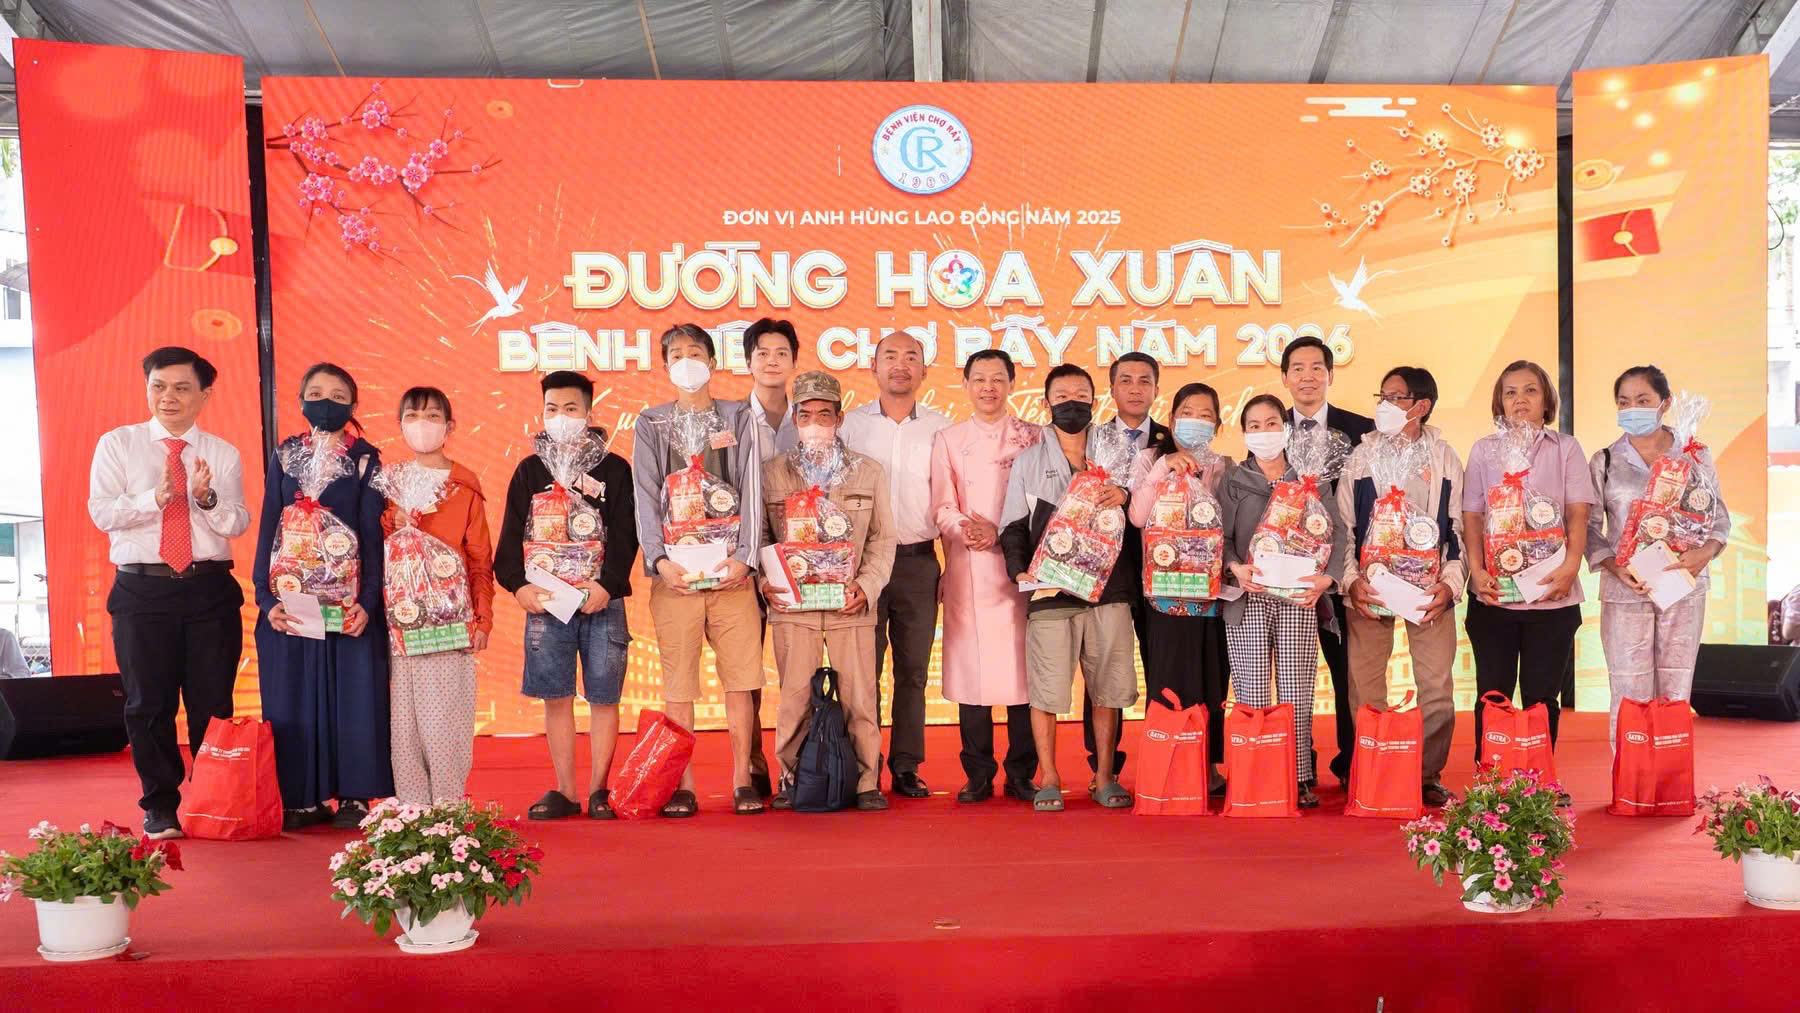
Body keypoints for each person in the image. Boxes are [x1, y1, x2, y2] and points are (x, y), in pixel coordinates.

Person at [88, 346, 250, 839]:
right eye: (158, 386)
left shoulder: (222, 453)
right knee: (147, 704)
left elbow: (237, 522)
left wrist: (206, 498)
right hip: (142, 589)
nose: (168, 397)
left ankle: (211, 799)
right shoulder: (118, 444)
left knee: (212, 703)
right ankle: (159, 805)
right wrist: (154, 498)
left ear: (205, 395)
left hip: (209, 590)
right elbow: (102, 512)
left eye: (182, 388)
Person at [632, 323, 766, 817]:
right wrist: (659, 561)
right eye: (676, 355)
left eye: (695, 352)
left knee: (741, 680)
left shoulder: (737, 416)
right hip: (676, 579)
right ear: (666, 366)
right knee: (678, 686)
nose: (686, 361)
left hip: (732, 575)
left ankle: (742, 779)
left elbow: (751, 486)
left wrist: (746, 557)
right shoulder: (651, 423)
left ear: (712, 362)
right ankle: (682, 784)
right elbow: (645, 496)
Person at [493, 371, 639, 819]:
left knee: (604, 697)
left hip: (601, 602)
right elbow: (509, 540)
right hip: (547, 604)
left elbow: (627, 535)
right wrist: (519, 586)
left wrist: (607, 585)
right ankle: (566, 790)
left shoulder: (614, 468)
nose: (561, 417)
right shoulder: (530, 469)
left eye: (571, 408)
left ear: (588, 413)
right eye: (552, 409)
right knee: (556, 696)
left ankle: (598, 790)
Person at [253, 362, 389, 830]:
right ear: (300, 402)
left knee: (354, 695)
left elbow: (372, 536)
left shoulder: (367, 460)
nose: (325, 402)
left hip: (346, 603)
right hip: (292, 601)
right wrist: (266, 600)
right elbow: (269, 526)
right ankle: (301, 797)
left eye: (337, 395)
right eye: (315, 394)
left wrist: (368, 603)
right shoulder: (285, 455)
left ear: (353, 405)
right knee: (293, 697)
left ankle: (354, 795)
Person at [1001, 363, 1138, 812]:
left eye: (1081, 395)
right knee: (1047, 688)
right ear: (1046, 404)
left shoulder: (1119, 454)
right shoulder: (1028, 461)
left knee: (1108, 687)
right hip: (1051, 591)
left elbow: (1145, 511)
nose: (1072, 404)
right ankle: (1049, 777)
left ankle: (1105, 776)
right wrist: (1019, 570)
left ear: (1094, 401)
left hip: (1109, 590)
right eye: (1062, 397)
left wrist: (1126, 494)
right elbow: (1013, 524)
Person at [763, 371, 897, 811]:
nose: (815, 423)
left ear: (840, 419)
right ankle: (791, 778)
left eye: (825, 415)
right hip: (794, 607)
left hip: (849, 604)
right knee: (793, 699)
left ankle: (866, 781)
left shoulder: (868, 471)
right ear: (795, 420)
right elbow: (759, 537)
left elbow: (882, 539)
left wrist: (867, 586)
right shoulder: (773, 473)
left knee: (860, 697)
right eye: (806, 415)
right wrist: (765, 582)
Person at [1335, 367, 1465, 807]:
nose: (1384, 405)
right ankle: (1374, 772)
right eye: (1382, 397)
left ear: (1421, 406)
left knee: (1437, 689)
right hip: (1369, 590)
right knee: (1365, 688)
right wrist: (1351, 583)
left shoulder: (1444, 457)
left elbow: (1458, 528)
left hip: (1430, 593)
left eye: (1395, 398)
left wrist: (1450, 586)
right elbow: (1344, 529)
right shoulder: (1361, 456)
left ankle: (1426, 775)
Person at [1462, 360, 1594, 783]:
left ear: (1547, 400)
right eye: (1510, 392)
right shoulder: (1483, 450)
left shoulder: (1566, 448)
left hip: (1552, 596)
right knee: (1492, 695)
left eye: (1530, 390)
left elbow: (1578, 512)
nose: (1520, 399)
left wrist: (1571, 566)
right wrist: (1476, 570)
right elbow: (1472, 515)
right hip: (1495, 596)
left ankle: (1539, 782)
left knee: (1542, 698)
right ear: (1499, 402)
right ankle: (1490, 782)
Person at [1587, 365, 1730, 746]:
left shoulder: (1694, 455)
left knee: (1676, 686)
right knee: (1628, 688)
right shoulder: (1605, 460)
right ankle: (1629, 773)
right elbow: (1588, 527)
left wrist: (1704, 554)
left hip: (1682, 583)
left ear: (1664, 403)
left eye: (1642, 400)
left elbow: (1719, 518)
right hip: (1626, 588)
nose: (1632, 409)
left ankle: (1669, 772)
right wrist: (1614, 566)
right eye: (1624, 402)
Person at [1219, 394, 1347, 809]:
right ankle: (1256, 773)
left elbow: (1338, 534)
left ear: (1286, 429)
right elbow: (1218, 537)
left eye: (1271, 423)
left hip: (1298, 598)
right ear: (1244, 434)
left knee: (1297, 689)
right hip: (1249, 597)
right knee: (1252, 690)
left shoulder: (1311, 479)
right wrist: (1235, 568)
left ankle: (1299, 775)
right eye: (1254, 426)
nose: (1264, 432)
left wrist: (1327, 578)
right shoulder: (1233, 480)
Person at [838, 332, 951, 799]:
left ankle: (906, 765)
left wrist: (952, 568)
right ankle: (863, 765)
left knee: (913, 671)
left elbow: (950, 501)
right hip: (861, 566)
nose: (900, 364)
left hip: (917, 563)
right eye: (890, 356)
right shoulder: (850, 425)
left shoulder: (942, 428)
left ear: (924, 370)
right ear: (873, 366)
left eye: (911, 357)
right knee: (862, 670)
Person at [930, 349, 1041, 804]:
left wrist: (1004, 532)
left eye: (998, 378)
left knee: (1024, 672)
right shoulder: (949, 439)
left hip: (1023, 564)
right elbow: (942, 504)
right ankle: (977, 773)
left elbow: (1045, 499)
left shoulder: (1033, 436)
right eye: (979, 379)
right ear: (966, 385)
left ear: (1012, 383)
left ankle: (1021, 772)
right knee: (971, 672)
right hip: (970, 566)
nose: (988, 387)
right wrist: (968, 530)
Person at [380, 387, 495, 804]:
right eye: (412, 416)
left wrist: (482, 618)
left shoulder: (463, 486)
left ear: (450, 426)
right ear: (400, 425)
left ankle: (447, 810)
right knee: (404, 727)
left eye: (432, 416)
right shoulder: (390, 483)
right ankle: (413, 812)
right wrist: (391, 521)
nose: (421, 425)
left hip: (448, 623)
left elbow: (480, 558)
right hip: (400, 625)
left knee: (444, 724)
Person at [1126, 381, 1229, 795]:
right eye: (1188, 413)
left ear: (1217, 425)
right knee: (1168, 676)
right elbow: (1137, 517)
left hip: (1210, 593)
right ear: (1171, 420)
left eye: (1206, 415)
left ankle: (1208, 768)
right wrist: (1164, 467)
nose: (1196, 421)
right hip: (1164, 590)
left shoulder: (1224, 466)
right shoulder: (1148, 458)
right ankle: (1168, 766)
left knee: (1211, 677)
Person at [1281, 335, 1372, 788]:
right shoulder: (1268, 426)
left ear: (1331, 375)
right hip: (1289, 578)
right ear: (1285, 378)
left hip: (1346, 571)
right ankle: (1296, 765)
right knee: (1292, 676)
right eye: (1298, 368)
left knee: (1349, 672)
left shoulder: (1362, 430)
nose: (1308, 377)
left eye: (1317, 367)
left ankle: (1353, 763)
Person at [1082, 350, 1169, 785]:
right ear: (1112, 388)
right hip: (1106, 570)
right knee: (1102, 667)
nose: (1136, 389)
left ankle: (1164, 762)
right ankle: (1102, 767)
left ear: (1156, 389)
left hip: (1164, 569)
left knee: (1162, 664)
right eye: (1126, 380)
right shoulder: (1090, 439)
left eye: (1144, 381)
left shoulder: (1173, 441)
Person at [739, 317, 799, 797]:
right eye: (762, 353)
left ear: (794, 361)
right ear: (748, 362)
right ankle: (752, 763)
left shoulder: (812, 418)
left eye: (781, 352)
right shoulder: (730, 421)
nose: (772, 361)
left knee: (797, 668)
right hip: (743, 560)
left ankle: (799, 762)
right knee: (747, 668)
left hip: (802, 561)